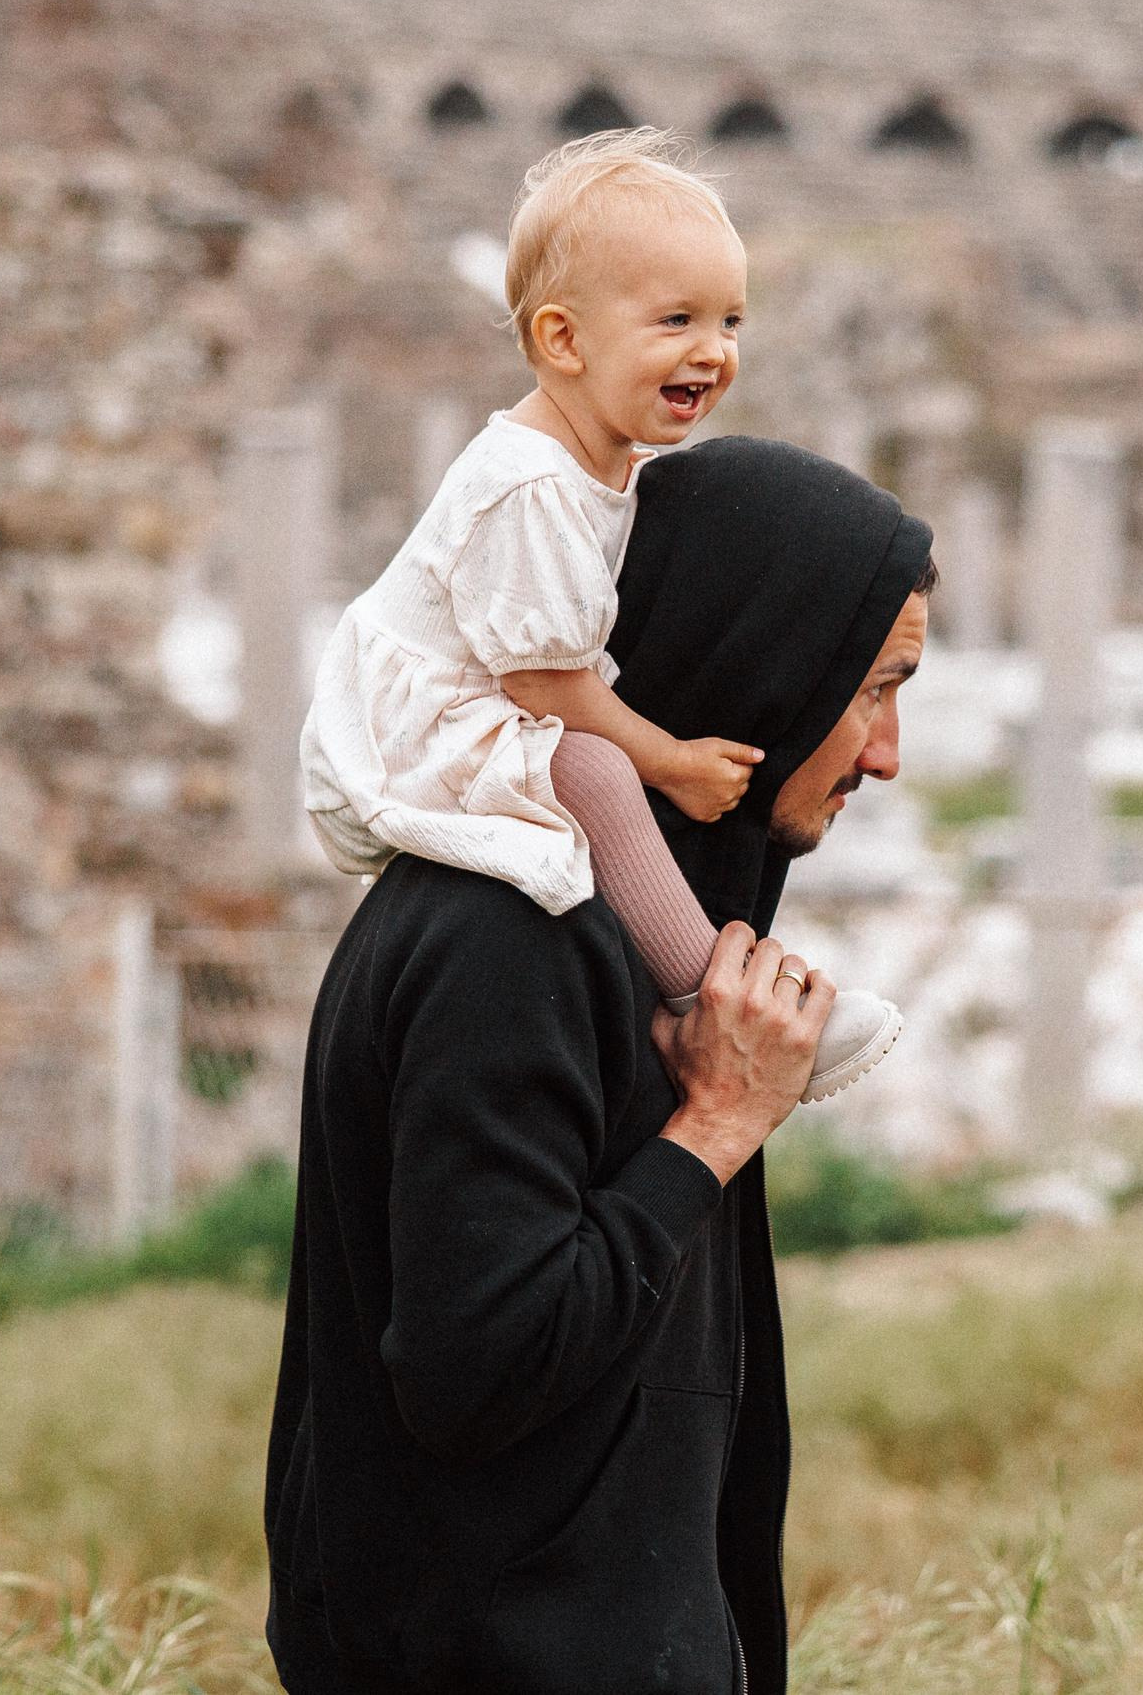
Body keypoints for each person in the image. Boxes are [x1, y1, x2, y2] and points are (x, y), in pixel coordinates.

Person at [264, 434, 936, 1695]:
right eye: (871, 690)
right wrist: (714, 1128)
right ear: (766, 669)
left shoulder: (619, 939)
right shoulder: (514, 933)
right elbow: (480, 1368)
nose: (887, 751)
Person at [298, 127, 902, 1104]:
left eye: (731, 321)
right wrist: (669, 759)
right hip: (418, 724)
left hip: (483, 697)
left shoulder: (605, 462)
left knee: (595, 768)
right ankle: (710, 997)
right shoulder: (530, 483)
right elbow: (544, 683)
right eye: (675, 320)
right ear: (564, 341)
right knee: (598, 772)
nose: (712, 350)